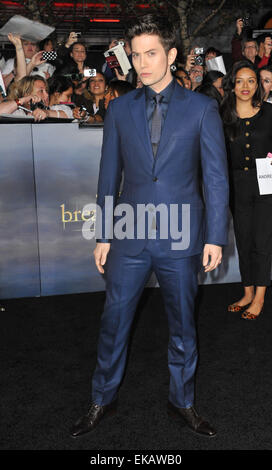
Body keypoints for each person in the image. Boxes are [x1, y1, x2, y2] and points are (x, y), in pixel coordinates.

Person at [71, 14, 229, 439]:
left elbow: (215, 178)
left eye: (151, 53)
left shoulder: (202, 108)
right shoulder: (119, 108)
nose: (142, 63)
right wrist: (103, 232)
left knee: (182, 324)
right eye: (136, 55)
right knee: (113, 319)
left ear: (171, 54)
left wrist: (216, 235)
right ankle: (102, 397)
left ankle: (183, 401)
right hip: (128, 233)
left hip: (182, 235)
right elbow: (109, 175)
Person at [220, 60, 272, 320]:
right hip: (236, 186)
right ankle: (248, 292)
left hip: (267, 185)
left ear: (258, 85)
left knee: (262, 242)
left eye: (252, 80)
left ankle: (260, 296)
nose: (246, 86)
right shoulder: (223, 115)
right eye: (240, 80)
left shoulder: (270, 113)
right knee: (244, 240)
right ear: (232, 84)